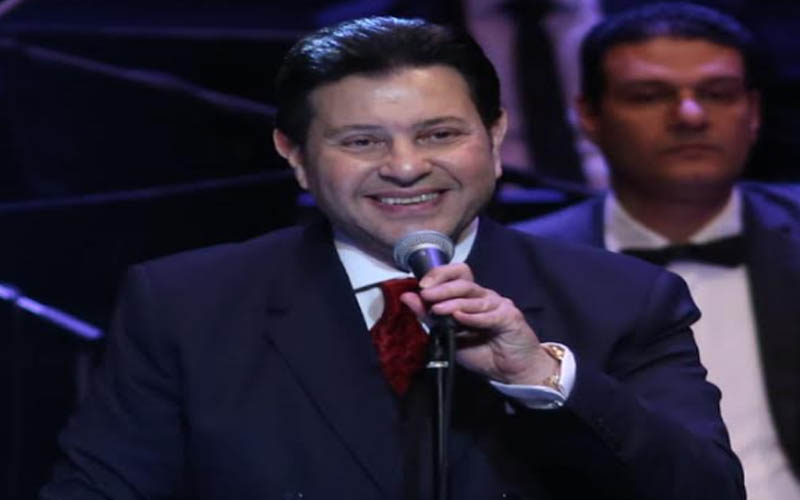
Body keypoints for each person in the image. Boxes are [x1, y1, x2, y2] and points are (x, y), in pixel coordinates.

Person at [41, 16, 743, 500]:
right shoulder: (186, 304)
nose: (406, 167)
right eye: (362, 141)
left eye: (439, 134)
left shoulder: (624, 298)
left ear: (495, 136)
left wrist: (540, 377)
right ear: (295, 155)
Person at [514, 3, 800, 498]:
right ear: (588, 115)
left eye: (718, 94)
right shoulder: (523, 262)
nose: (690, 116)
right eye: (648, 96)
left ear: (753, 112)